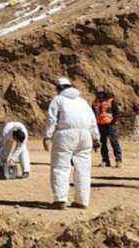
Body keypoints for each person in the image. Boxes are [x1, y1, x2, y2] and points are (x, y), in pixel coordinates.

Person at [43, 77, 100, 210]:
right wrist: (96, 138)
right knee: (83, 169)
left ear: (59, 88)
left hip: (65, 134)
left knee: (61, 167)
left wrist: (47, 135)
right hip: (85, 136)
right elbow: (92, 121)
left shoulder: (58, 100)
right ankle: (82, 201)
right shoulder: (83, 102)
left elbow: (52, 119)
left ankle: (60, 200)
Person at [92, 90, 122, 168]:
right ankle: (105, 160)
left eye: (101, 94)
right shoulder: (95, 103)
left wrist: (113, 122)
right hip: (99, 125)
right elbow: (92, 114)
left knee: (114, 142)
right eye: (98, 94)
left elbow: (116, 113)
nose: (99, 96)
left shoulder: (111, 102)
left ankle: (118, 160)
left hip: (110, 125)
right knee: (102, 143)